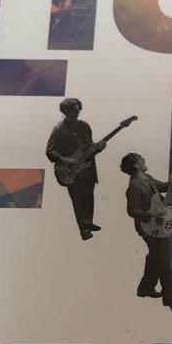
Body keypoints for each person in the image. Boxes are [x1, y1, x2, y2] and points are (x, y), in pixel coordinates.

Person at [121, 153, 172, 306]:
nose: (144, 160)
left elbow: (164, 187)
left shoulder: (147, 178)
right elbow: (132, 210)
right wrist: (152, 213)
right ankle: (170, 296)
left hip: (156, 224)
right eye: (141, 159)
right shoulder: (135, 186)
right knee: (162, 260)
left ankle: (145, 288)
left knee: (155, 256)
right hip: (149, 227)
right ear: (136, 165)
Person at [46, 98, 105, 240]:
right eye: (72, 111)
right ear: (65, 112)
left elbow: (89, 148)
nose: (76, 114)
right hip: (70, 171)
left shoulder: (85, 126)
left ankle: (88, 223)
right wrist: (65, 160)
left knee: (89, 197)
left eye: (77, 111)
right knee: (78, 200)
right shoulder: (58, 129)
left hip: (88, 169)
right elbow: (50, 151)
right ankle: (83, 230)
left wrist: (98, 148)